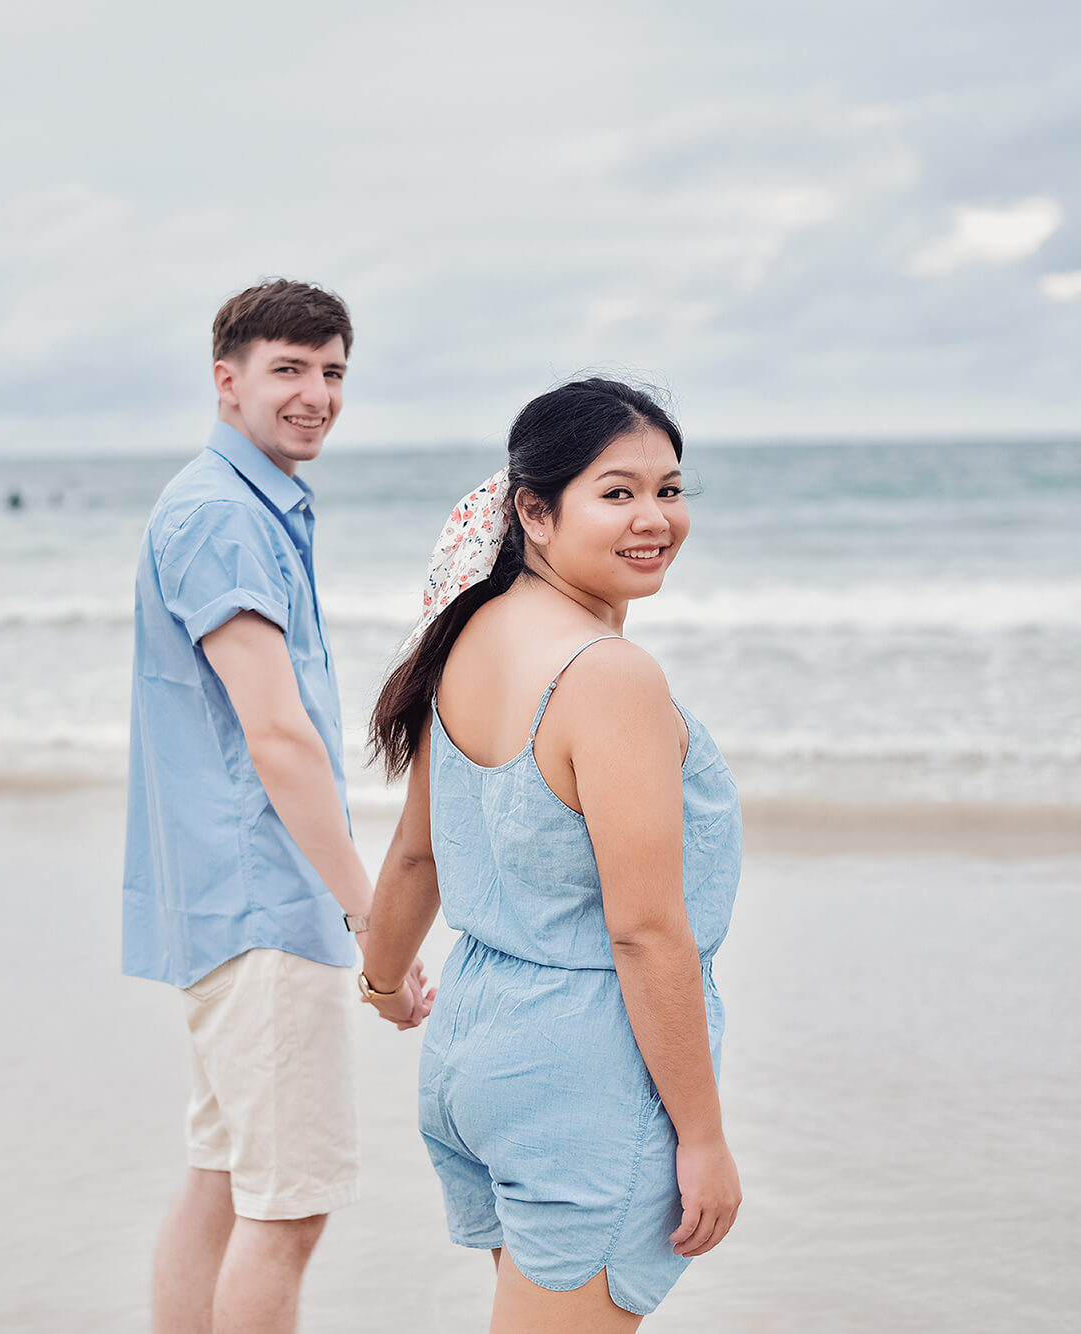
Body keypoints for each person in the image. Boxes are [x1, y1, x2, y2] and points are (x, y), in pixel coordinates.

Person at [358, 377, 743, 1331]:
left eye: (671, 488)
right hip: (582, 1071)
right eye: (617, 493)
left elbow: (415, 859)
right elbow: (646, 931)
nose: (655, 518)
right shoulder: (608, 676)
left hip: (475, 1055)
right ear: (534, 510)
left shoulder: (466, 638)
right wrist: (702, 1136)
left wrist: (382, 984)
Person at [123, 278, 428, 1334]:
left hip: (226, 898)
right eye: (288, 369)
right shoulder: (221, 516)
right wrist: (368, 912)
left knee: (221, 1180)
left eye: (332, 371)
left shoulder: (237, 503)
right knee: (285, 1211)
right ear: (227, 379)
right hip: (264, 900)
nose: (315, 394)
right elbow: (277, 734)